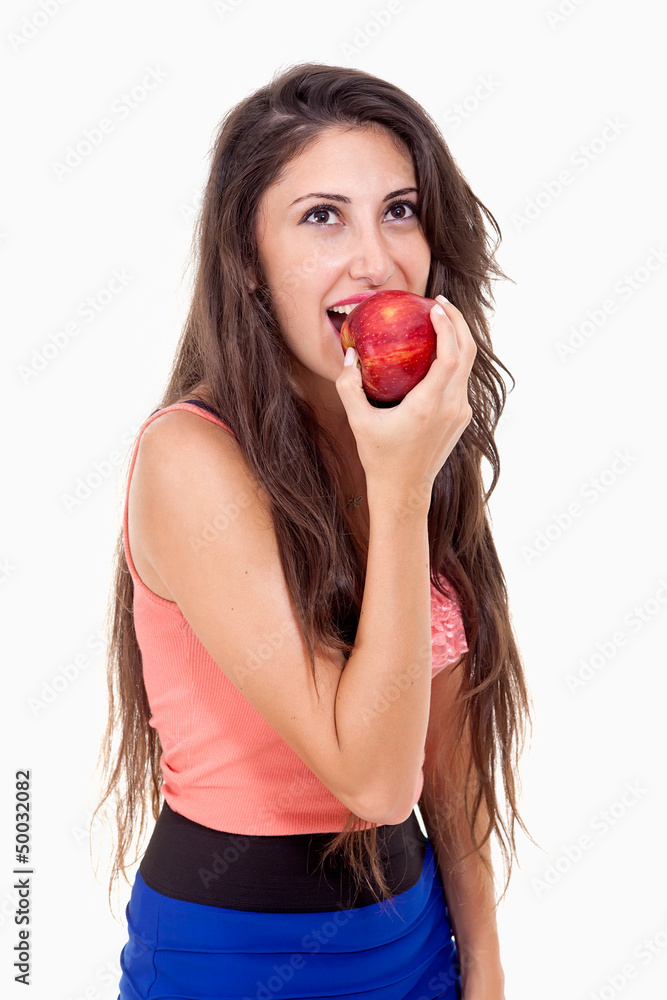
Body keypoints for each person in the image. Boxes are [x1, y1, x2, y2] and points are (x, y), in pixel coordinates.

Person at [93, 62, 533, 1000]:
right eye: (321, 216)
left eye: (400, 210)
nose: (374, 259)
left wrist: (484, 975)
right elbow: (372, 782)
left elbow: (442, 780)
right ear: (247, 261)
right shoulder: (191, 461)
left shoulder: (402, 435)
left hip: (413, 940)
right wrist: (401, 485)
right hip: (235, 958)